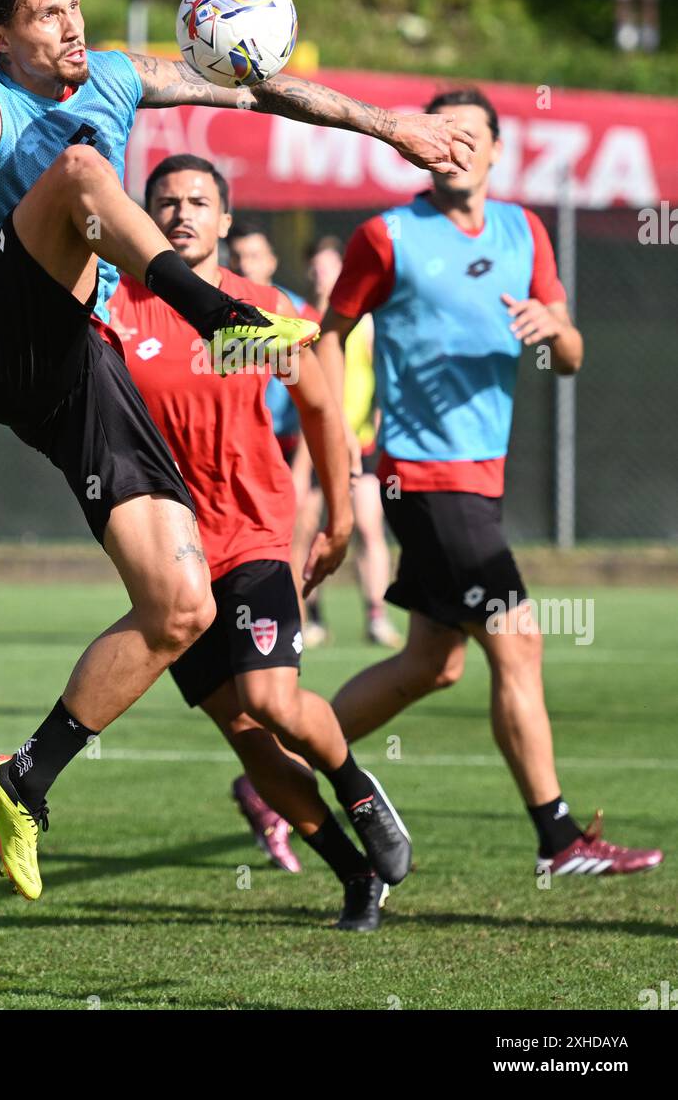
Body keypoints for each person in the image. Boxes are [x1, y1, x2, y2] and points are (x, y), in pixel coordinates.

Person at [0, 0, 473, 902]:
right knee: (83, 173)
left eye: (74, 5)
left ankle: (23, 781)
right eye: (46, 15)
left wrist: (388, 127)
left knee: (181, 607)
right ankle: (212, 309)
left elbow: (253, 90)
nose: (73, 23)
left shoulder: (119, 76)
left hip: (79, 360)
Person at [317, 88, 663, 878]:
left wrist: (556, 331)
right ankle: (559, 839)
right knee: (520, 640)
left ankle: (275, 768)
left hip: (483, 477)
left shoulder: (523, 229)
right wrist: (340, 438)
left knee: (432, 665)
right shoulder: (387, 236)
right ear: (417, 148)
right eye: (441, 135)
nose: (456, 147)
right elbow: (330, 336)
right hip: (422, 476)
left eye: (472, 135)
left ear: (498, 150)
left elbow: (571, 355)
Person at [107, 155, 411, 930]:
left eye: (198, 202)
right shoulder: (117, 312)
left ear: (226, 219)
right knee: (246, 738)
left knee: (270, 700)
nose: (181, 214)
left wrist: (340, 517)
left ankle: (358, 787)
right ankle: (355, 877)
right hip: (174, 560)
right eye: (165, 202)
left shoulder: (254, 308)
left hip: (254, 537)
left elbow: (320, 407)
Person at [295, 237, 401, 651]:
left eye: (330, 266)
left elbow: (384, 375)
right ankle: (310, 619)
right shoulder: (301, 320)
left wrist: (375, 419)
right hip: (313, 444)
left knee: (369, 528)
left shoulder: (365, 323)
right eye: (316, 267)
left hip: (361, 444)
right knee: (306, 530)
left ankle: (376, 616)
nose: (322, 274)